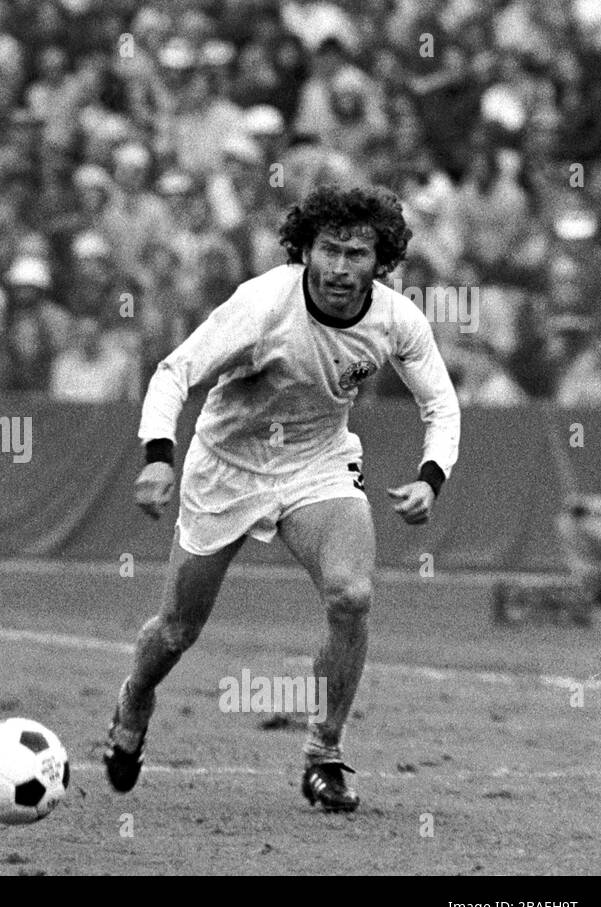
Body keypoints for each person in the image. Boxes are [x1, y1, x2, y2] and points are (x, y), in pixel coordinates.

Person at [103, 184, 460, 812]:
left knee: (352, 596)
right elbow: (173, 373)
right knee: (179, 628)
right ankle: (135, 699)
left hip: (317, 465)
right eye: (329, 250)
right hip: (227, 468)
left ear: (381, 262)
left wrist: (431, 477)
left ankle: (324, 754)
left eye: (357, 254)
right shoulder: (264, 303)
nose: (340, 268)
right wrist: (159, 457)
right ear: (305, 251)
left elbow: (440, 403)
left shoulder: (398, 319)